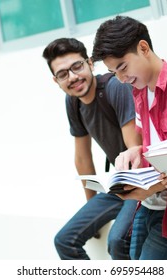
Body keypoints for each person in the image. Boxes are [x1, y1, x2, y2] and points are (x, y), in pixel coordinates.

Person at [92, 16, 167, 260]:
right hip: (151, 204)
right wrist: (135, 151)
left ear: (143, 48)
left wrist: (155, 186)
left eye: (122, 67)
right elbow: (153, 145)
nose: (120, 79)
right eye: (113, 72)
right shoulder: (139, 91)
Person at [42, 38, 141, 260]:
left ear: (90, 63)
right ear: (56, 81)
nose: (73, 77)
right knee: (65, 240)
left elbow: (136, 150)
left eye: (77, 67)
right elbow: (82, 158)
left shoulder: (115, 87)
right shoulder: (73, 102)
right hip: (118, 186)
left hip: (141, 182)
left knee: (117, 241)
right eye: (63, 74)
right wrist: (93, 208)